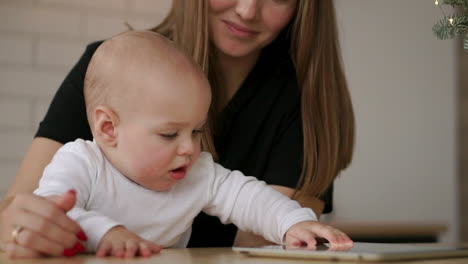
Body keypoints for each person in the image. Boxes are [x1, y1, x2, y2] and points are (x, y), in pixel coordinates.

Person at [0, 0, 355, 258]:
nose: (190, 148)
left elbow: (252, 200)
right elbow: (50, 213)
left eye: (198, 131)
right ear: (108, 128)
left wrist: (293, 223)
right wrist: (108, 233)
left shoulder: (197, 169)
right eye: (169, 134)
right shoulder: (80, 160)